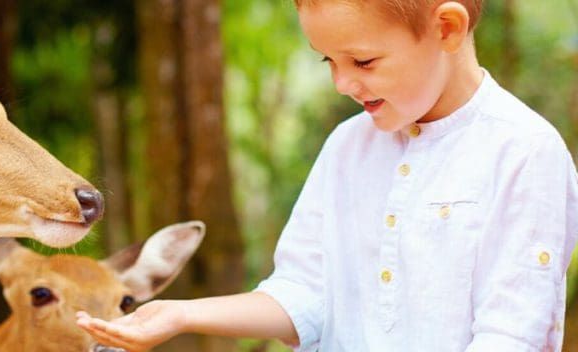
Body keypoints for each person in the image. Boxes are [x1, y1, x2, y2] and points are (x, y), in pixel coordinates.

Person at [76, 1, 578, 350]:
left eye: (363, 60)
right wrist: (183, 314)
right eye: (329, 61)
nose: (342, 83)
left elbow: (513, 335)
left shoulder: (524, 153)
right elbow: (303, 295)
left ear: (446, 27)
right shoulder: (347, 148)